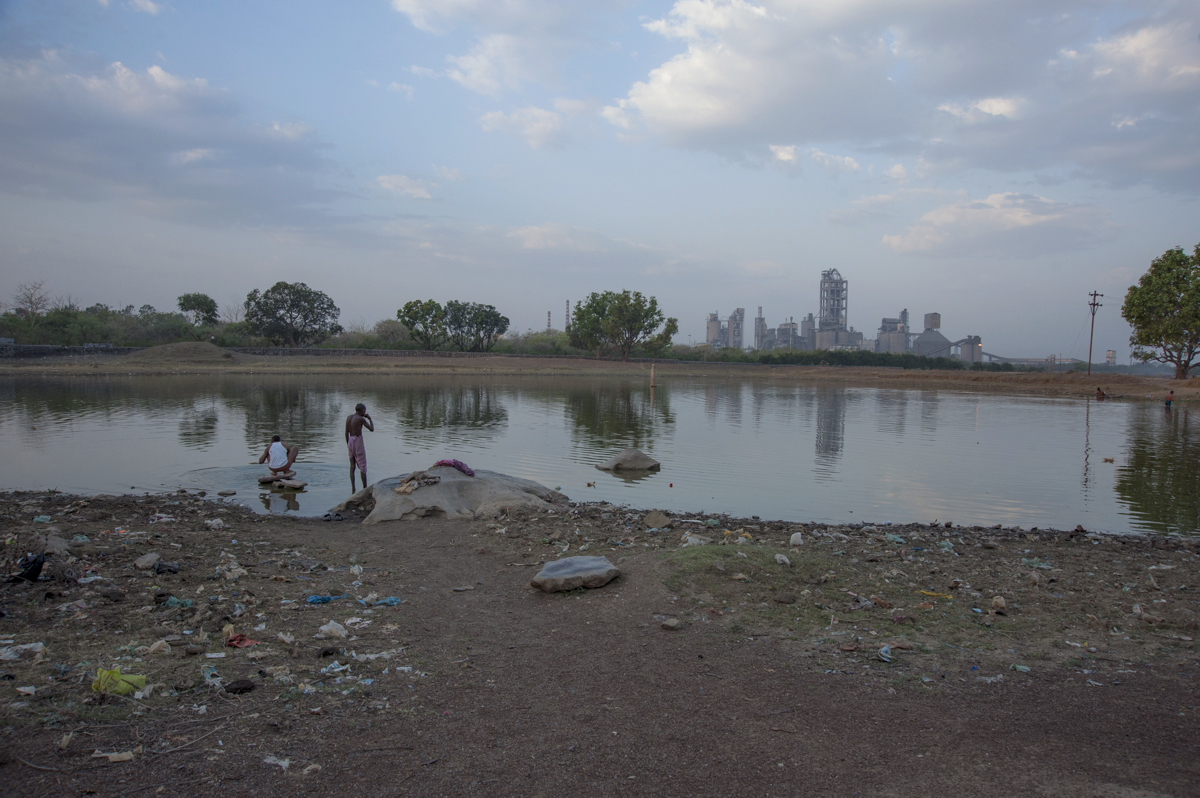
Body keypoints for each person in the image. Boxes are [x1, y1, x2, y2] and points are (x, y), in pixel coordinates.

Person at [345, 403, 375, 490]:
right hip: (358, 441)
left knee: (352, 465)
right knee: (362, 465)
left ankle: (353, 488)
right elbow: (371, 429)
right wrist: (369, 419)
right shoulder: (361, 419)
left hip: (350, 440)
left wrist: (348, 445)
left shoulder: (349, 418)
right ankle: (365, 488)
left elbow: (346, 432)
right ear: (363, 411)